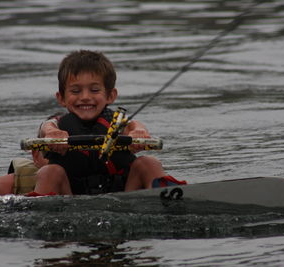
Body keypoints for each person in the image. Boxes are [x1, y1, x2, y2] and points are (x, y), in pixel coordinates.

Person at [31, 50, 186, 196]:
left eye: (94, 90)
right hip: (69, 200)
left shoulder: (118, 124)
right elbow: (47, 127)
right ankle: (38, 210)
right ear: (61, 98)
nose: (85, 97)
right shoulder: (57, 124)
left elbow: (134, 125)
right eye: (76, 91)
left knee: (149, 162)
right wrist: (53, 134)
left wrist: (139, 132)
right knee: (49, 172)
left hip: (125, 197)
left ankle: (168, 200)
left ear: (111, 96)